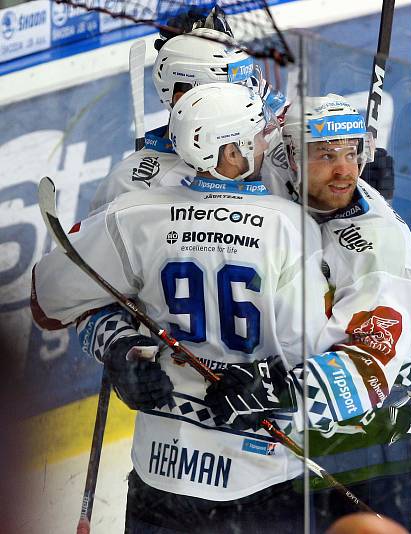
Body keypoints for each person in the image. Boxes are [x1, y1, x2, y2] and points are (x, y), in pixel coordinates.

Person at [31, 83, 331, 532]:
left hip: (160, 475)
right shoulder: (290, 226)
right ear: (230, 153)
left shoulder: (132, 215)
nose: (266, 142)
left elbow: (47, 305)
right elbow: (312, 352)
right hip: (264, 479)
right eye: (256, 135)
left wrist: (118, 347)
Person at [276, 94, 411, 533]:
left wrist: (272, 393)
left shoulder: (379, 245)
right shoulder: (271, 169)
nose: (346, 169)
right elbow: (251, 120)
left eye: (351, 153)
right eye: (327, 155)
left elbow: (368, 365)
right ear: (288, 158)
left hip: (372, 436)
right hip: (288, 441)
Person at [90, 24, 290, 212]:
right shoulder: (130, 183)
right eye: (230, 91)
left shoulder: (270, 141)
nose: (246, 99)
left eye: (247, 86)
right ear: (181, 99)